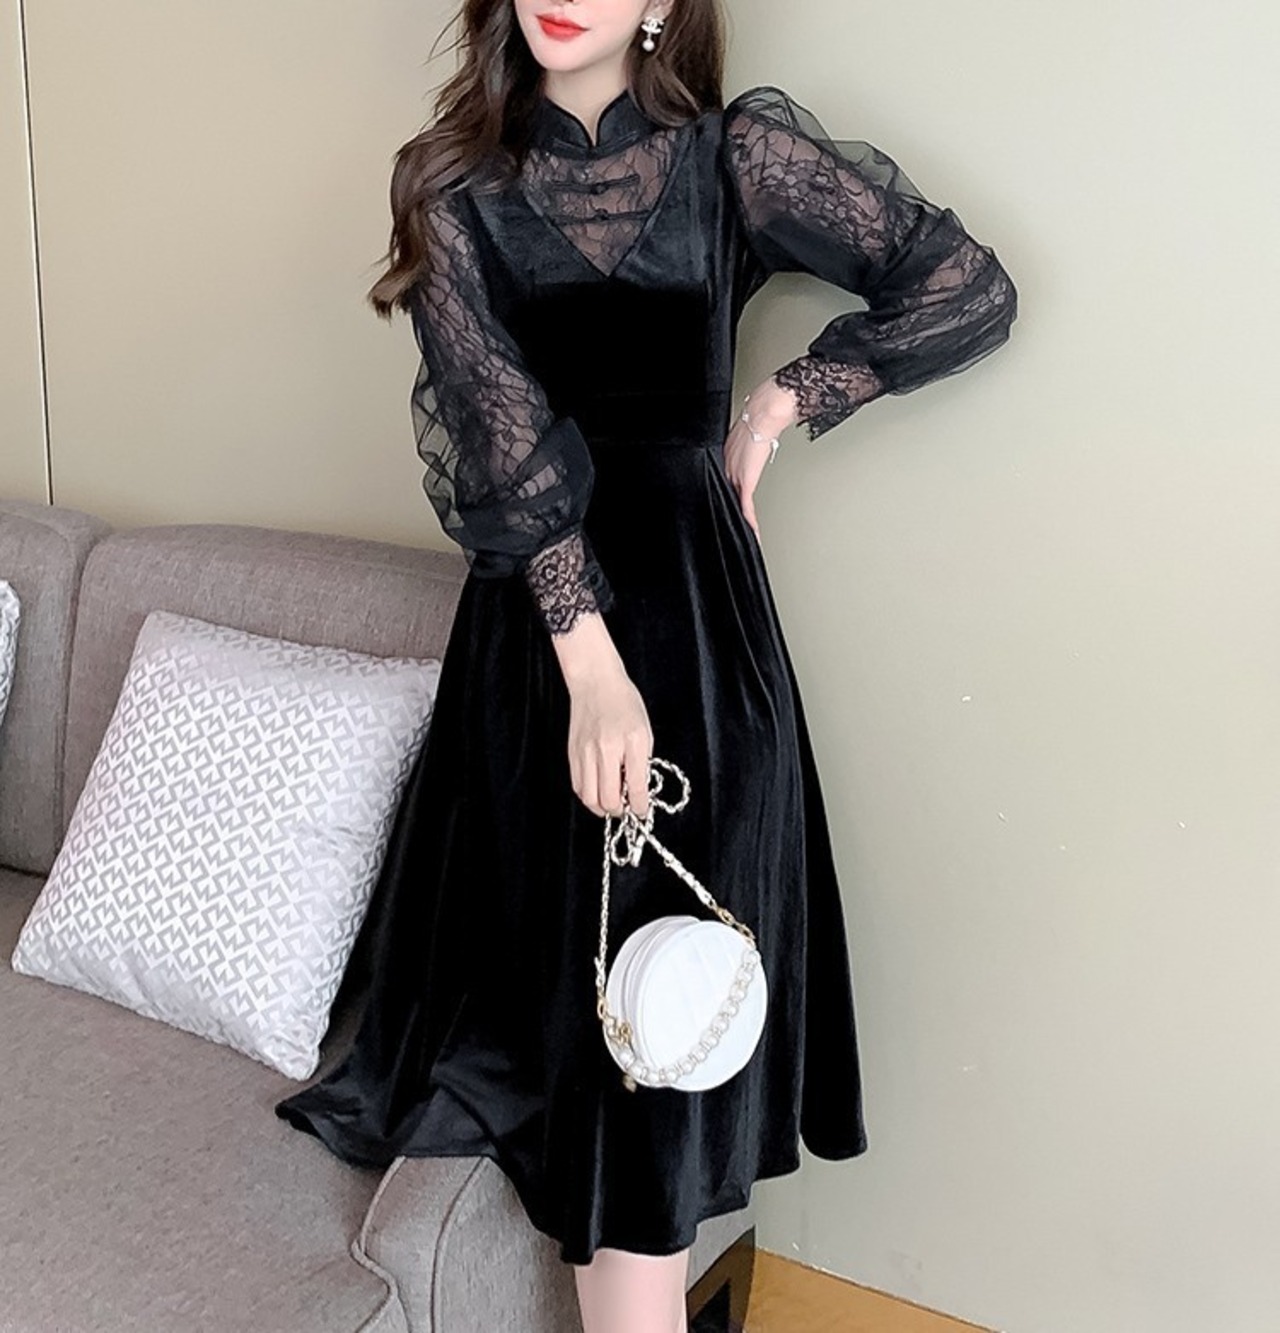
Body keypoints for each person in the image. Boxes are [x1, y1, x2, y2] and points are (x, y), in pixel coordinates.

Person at [275, 1, 1018, 1329]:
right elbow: (502, 444)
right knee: (594, 1049)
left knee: (669, 1023)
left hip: (705, 640)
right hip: (547, 651)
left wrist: (782, 401)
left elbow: (965, 285)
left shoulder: (735, 159)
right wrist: (592, 668)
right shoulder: (452, 186)